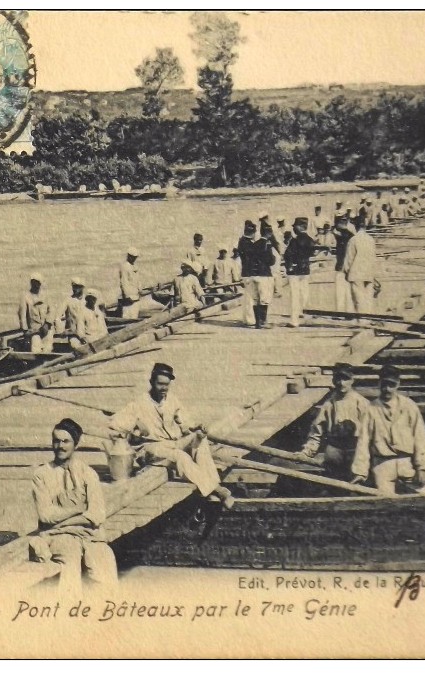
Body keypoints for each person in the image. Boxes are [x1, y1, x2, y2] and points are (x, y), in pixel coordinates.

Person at [109, 363, 233, 507]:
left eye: (167, 385)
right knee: (180, 456)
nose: (164, 389)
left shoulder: (172, 400)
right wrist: (134, 429)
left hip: (172, 443)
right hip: (150, 448)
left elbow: (186, 423)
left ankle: (211, 489)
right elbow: (115, 424)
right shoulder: (139, 403)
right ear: (151, 382)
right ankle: (217, 490)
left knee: (200, 439)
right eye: (160, 384)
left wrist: (197, 427)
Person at [30, 418, 118, 592]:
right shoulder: (41, 474)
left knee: (104, 559)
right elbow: (45, 516)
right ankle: (69, 610)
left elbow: (97, 515)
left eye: (66, 441)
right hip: (59, 537)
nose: (60, 446)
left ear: (75, 444)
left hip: (89, 535)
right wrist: (79, 510)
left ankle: (106, 612)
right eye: (56, 441)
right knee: (69, 560)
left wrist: (61, 522)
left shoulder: (88, 473)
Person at [351, 365, 425, 496]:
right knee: (385, 501)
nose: (387, 389)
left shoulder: (409, 406)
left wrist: (422, 468)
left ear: (398, 384)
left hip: (406, 462)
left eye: (391, 385)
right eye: (384, 384)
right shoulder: (371, 409)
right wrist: (360, 471)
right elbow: (363, 442)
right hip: (382, 465)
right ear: (379, 383)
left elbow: (420, 437)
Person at [300, 363, 369, 473]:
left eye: (345, 379)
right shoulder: (329, 405)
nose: (341, 383)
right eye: (338, 379)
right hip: (335, 449)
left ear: (352, 380)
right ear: (333, 381)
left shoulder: (362, 403)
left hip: (355, 450)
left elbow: (371, 432)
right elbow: (316, 431)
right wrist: (307, 451)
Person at [237, 220, 276, 329]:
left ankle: (257, 322)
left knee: (254, 299)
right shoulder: (265, 244)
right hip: (263, 274)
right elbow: (270, 261)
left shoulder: (246, 243)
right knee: (264, 299)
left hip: (249, 274)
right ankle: (262, 322)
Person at [284, 217, 316, 328]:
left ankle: (294, 320)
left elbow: (287, 255)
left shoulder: (294, 240)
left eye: (295, 226)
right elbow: (313, 253)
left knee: (294, 296)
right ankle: (306, 318)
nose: (293, 228)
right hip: (305, 270)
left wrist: (289, 267)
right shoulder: (310, 240)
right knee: (304, 294)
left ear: (300, 227)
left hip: (295, 271)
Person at [343, 219, 378, 315]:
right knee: (368, 299)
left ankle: (361, 321)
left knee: (358, 299)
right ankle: (369, 318)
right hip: (368, 272)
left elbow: (349, 258)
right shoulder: (371, 239)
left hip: (356, 272)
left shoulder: (353, 240)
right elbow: (373, 257)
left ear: (356, 227)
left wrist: (346, 271)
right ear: (365, 226)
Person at [18, 273, 54, 354]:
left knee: (48, 348)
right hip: (34, 330)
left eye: (38, 282)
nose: (36, 284)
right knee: (36, 349)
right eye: (34, 282)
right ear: (31, 282)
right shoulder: (25, 297)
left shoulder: (45, 295)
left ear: (40, 283)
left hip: (46, 329)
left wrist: (47, 324)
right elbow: (22, 315)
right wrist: (25, 330)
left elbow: (52, 310)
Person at [118, 248, 142, 320]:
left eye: (135, 258)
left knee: (134, 317)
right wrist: (127, 296)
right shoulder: (125, 266)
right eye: (133, 257)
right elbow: (124, 282)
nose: (134, 259)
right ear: (129, 256)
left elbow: (138, 280)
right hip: (129, 298)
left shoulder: (134, 266)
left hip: (136, 297)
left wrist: (140, 289)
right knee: (127, 317)